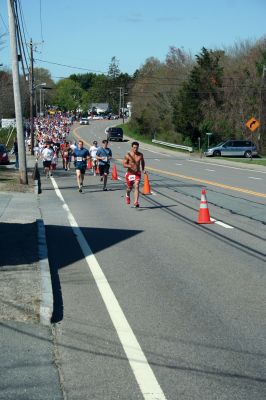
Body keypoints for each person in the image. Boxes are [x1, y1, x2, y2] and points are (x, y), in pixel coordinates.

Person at [122, 141, 146, 208]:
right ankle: (127, 195)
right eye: (134, 147)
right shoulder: (128, 155)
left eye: (137, 147)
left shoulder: (140, 155)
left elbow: (143, 162)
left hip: (137, 173)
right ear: (132, 147)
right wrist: (130, 166)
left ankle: (136, 202)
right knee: (129, 188)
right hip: (130, 174)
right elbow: (123, 164)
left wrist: (143, 169)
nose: (135, 149)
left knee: (137, 185)